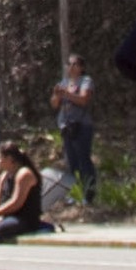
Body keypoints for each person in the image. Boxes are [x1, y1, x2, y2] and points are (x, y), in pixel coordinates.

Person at [0, 143, 56, 244]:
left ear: (9, 158)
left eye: (0, 158)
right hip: (7, 216)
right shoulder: (4, 176)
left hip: (24, 219)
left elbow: (16, 203)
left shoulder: (24, 174)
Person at [50, 54, 96, 207]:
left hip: (82, 125)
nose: (70, 67)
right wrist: (57, 95)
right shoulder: (63, 83)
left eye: (74, 64)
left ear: (81, 67)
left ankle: (89, 194)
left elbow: (83, 100)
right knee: (71, 162)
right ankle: (75, 193)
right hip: (66, 126)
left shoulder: (86, 81)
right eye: (68, 64)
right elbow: (54, 104)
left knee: (84, 160)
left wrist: (66, 94)